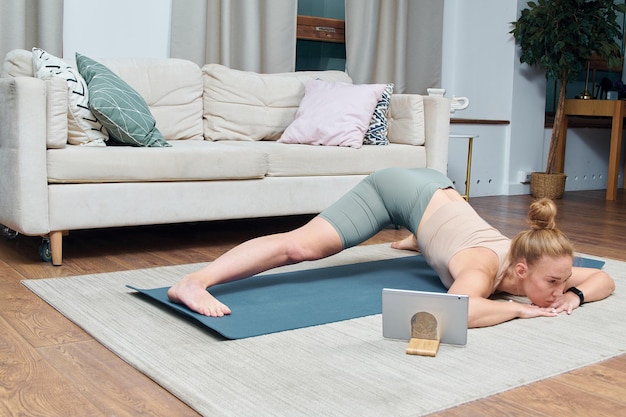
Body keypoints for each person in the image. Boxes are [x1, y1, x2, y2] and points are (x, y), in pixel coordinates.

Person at [168, 168, 615, 328]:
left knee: (437, 240)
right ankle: (194, 281)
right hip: (398, 188)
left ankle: (420, 238)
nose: (557, 290)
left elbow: (604, 277)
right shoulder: (482, 267)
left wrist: (573, 295)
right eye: (554, 283)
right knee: (300, 249)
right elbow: (453, 310)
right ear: (519, 271)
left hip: (439, 194)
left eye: (561, 282)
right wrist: (522, 310)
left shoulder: (536, 264)